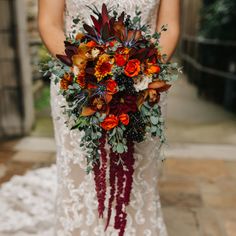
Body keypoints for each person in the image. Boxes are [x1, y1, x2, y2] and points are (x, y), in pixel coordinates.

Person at [38, 0, 180, 235]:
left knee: (138, 182)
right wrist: (87, 73)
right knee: (80, 178)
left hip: (143, 88)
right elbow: (48, 23)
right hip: (78, 86)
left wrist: (139, 76)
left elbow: (169, 25)